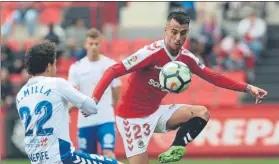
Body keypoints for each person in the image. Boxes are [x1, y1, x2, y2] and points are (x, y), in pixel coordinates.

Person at [89, 11, 268, 164]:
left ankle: (176, 147)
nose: (178, 38)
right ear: (166, 30)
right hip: (131, 117)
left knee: (202, 113)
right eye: (174, 32)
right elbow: (113, 70)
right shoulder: (150, 53)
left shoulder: (186, 58)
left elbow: (213, 77)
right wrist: (94, 100)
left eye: (183, 33)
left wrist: (247, 87)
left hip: (155, 112)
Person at [15, 40, 123, 164]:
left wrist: (69, 107)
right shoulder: (57, 84)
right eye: (55, 64)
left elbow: (45, 119)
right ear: (49, 66)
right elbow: (91, 108)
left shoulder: (21, 95)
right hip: (63, 158)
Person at [68, 28, 121, 158]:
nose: (94, 47)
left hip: (106, 118)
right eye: (91, 44)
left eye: (96, 44)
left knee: (109, 154)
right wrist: (68, 108)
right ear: (86, 44)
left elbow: (116, 88)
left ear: (100, 44)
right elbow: (72, 92)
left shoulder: (110, 65)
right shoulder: (76, 67)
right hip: (85, 121)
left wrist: (113, 104)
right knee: (87, 158)